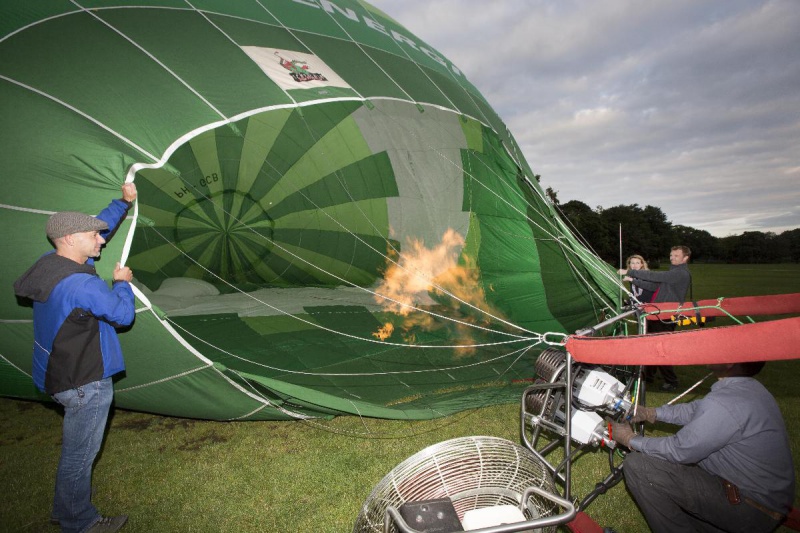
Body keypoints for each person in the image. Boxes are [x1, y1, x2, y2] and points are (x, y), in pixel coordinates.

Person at [13, 183, 137, 533]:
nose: (102, 240)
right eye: (93, 236)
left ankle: (65, 509)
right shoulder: (83, 285)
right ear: (69, 239)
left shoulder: (48, 264)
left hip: (57, 373)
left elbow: (100, 226)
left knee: (75, 454)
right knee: (79, 457)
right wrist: (121, 283)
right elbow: (122, 316)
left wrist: (123, 204)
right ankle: (79, 522)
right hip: (86, 382)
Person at [610, 362, 794, 533]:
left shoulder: (725, 403)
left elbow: (679, 450)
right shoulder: (748, 388)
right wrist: (652, 413)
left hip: (751, 509)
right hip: (763, 501)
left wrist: (630, 439)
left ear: (729, 362)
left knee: (640, 466)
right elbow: (695, 410)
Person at [618, 245, 692, 391]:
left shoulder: (680, 273)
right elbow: (653, 286)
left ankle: (671, 381)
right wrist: (633, 280)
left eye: (676, 256)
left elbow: (655, 276)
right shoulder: (674, 271)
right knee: (651, 345)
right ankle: (649, 376)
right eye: (671, 255)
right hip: (658, 314)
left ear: (685, 258)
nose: (672, 258)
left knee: (660, 347)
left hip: (666, 316)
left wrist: (629, 272)